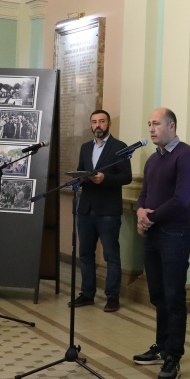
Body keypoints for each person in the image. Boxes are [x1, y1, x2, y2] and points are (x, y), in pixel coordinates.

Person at [132, 108, 190, 379]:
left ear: (171, 126)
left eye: (156, 124)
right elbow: (144, 194)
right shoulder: (152, 159)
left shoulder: (186, 155)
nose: (151, 129)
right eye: (149, 124)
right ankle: (161, 346)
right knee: (158, 294)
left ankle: (174, 355)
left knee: (174, 298)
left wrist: (150, 216)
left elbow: (181, 200)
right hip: (153, 234)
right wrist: (139, 212)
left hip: (174, 234)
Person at [68, 109, 133, 312]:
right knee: (85, 254)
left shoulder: (119, 147)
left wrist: (105, 179)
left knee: (111, 256)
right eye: (94, 122)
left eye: (102, 121)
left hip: (108, 211)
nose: (98, 125)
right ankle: (87, 294)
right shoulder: (85, 147)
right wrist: (80, 178)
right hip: (86, 208)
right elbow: (81, 169)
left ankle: (112, 297)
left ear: (109, 124)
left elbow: (126, 177)